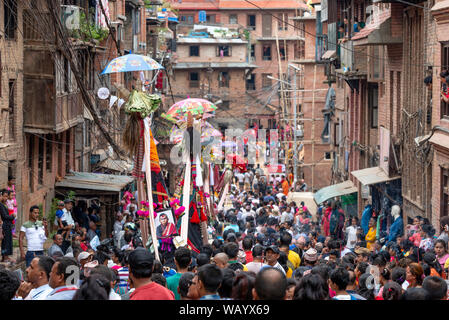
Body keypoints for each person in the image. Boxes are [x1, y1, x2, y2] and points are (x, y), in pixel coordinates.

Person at [0, 189, 15, 263]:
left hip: (7, 225)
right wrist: (12, 216)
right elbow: (5, 216)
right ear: (1, 196)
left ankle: (5, 257)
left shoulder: (3, 205)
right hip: (5, 226)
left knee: (7, 242)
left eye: (7, 196)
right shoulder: (1, 205)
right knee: (6, 242)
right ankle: (5, 257)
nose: (6, 198)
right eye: (5, 196)